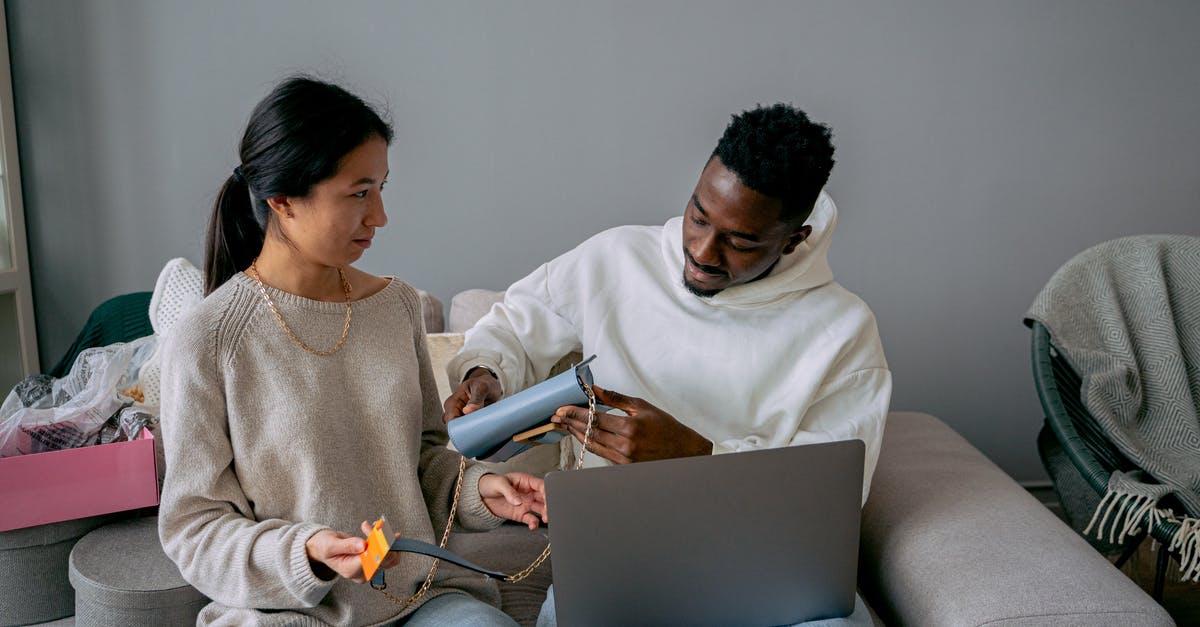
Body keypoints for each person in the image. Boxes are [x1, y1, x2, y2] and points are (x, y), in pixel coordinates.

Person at [443, 103, 890, 625]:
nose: (701, 250)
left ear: (794, 239)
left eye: (740, 242)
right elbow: (517, 323)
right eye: (699, 215)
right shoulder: (617, 259)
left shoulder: (843, 330)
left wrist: (697, 455)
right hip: (617, 560)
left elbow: (824, 504)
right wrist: (484, 375)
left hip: (766, 572)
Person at [157, 76, 546, 626]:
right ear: (283, 199)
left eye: (382, 187)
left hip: (419, 596)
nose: (380, 215)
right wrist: (305, 553)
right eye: (359, 192)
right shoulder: (208, 338)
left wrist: (483, 488)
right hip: (290, 612)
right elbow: (194, 529)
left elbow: (423, 461)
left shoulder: (396, 306)